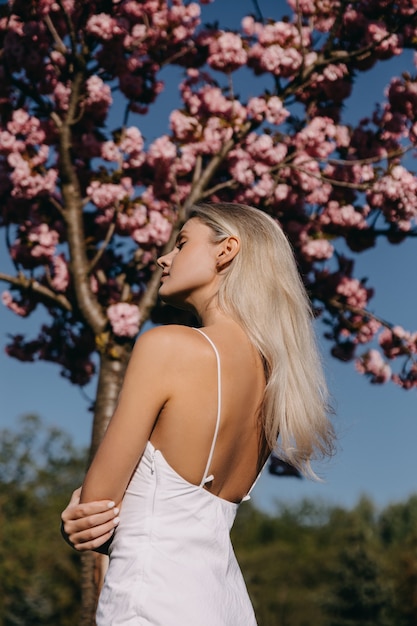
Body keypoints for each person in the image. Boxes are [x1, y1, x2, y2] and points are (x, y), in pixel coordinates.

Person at [61, 202, 335, 625]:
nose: (163, 257)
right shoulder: (275, 383)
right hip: (225, 605)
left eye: (182, 243)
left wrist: (77, 513)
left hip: (152, 601)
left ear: (226, 250)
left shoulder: (167, 346)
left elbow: (97, 507)